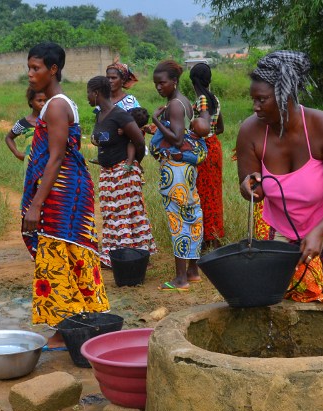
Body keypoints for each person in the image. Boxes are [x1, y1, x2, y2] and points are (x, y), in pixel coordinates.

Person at [237, 51, 323, 306]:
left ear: (284, 95)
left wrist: (319, 232)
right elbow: (250, 190)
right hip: (285, 224)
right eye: (253, 99)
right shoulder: (251, 132)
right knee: (283, 300)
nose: (255, 107)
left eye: (262, 100)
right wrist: (250, 188)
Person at [21, 43, 109, 335]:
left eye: (37, 68)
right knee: (68, 255)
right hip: (67, 189)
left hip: (63, 193)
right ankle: (75, 326)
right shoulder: (57, 102)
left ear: (53, 69)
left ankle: (65, 330)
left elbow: (57, 157)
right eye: (30, 68)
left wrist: (36, 204)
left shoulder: (57, 105)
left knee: (60, 255)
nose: (31, 74)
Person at [87, 76, 157, 268]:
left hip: (123, 171)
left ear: (96, 93)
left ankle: (129, 257)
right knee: (110, 214)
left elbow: (140, 142)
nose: (86, 97)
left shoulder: (120, 115)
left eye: (88, 93)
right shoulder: (100, 115)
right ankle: (115, 256)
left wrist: (134, 163)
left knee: (125, 214)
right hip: (107, 171)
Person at [150, 60, 203, 291]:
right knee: (191, 214)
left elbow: (178, 139)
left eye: (162, 83)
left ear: (174, 81)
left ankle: (180, 278)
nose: (158, 87)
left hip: (175, 171)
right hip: (187, 170)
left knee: (177, 220)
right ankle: (192, 271)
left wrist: (154, 122)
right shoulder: (185, 103)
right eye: (156, 84)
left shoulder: (174, 105)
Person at [190, 63, 225, 250]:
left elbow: (203, 127)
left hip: (203, 148)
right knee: (213, 192)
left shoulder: (202, 99)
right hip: (214, 147)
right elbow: (220, 128)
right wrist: (210, 135)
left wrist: (194, 134)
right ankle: (215, 235)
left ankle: (205, 238)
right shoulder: (215, 99)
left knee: (203, 193)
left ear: (193, 80)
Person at [4, 87, 47, 164]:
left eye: (45, 100)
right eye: (39, 101)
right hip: (30, 166)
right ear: (31, 102)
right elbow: (9, 138)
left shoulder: (51, 121)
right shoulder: (23, 123)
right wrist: (17, 153)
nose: (43, 103)